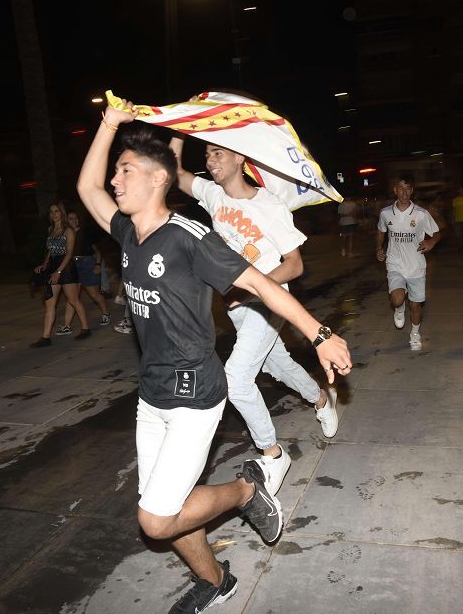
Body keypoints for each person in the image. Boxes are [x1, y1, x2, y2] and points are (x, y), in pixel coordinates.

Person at [77, 101, 351, 614]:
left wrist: (319, 334)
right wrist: (109, 126)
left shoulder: (190, 238)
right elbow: (86, 189)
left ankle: (248, 490)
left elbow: (263, 284)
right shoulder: (127, 233)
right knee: (168, 508)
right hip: (152, 394)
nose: (114, 180)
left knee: (155, 520)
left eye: (125, 170)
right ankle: (217, 581)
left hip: (193, 394)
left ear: (158, 180)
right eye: (116, 169)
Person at [170, 135, 340, 496]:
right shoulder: (212, 195)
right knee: (279, 366)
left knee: (235, 379)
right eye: (208, 154)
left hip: (268, 303)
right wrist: (178, 129)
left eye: (218, 153)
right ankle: (322, 399)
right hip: (236, 309)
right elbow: (174, 171)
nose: (211, 160)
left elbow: (294, 265)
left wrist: (250, 288)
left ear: (240, 159)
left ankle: (271, 451)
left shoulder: (269, 205)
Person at [376, 176, 441, 351]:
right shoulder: (386, 213)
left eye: (408, 188)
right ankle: (398, 308)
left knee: (415, 304)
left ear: (412, 191)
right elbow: (381, 231)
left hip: (416, 266)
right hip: (395, 263)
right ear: (395, 190)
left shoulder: (421, 213)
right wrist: (379, 248)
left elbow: (436, 233)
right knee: (397, 299)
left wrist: (431, 242)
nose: (404, 192)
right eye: (400, 188)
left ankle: (414, 333)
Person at [30, 202, 90, 346]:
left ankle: (85, 328)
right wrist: (44, 265)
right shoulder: (50, 229)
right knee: (49, 303)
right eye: (51, 212)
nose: (54, 214)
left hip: (67, 267)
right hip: (53, 266)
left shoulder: (68, 230)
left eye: (56, 211)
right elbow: (50, 250)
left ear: (61, 213)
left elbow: (69, 253)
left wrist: (59, 271)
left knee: (73, 300)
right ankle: (45, 337)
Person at [62, 210, 111, 328]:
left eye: (76, 218)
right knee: (72, 297)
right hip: (72, 266)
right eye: (71, 218)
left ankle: (106, 313)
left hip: (86, 264)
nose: (74, 221)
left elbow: (98, 251)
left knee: (94, 294)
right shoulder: (66, 234)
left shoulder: (85, 233)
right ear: (66, 221)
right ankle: (67, 325)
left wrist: (98, 265)